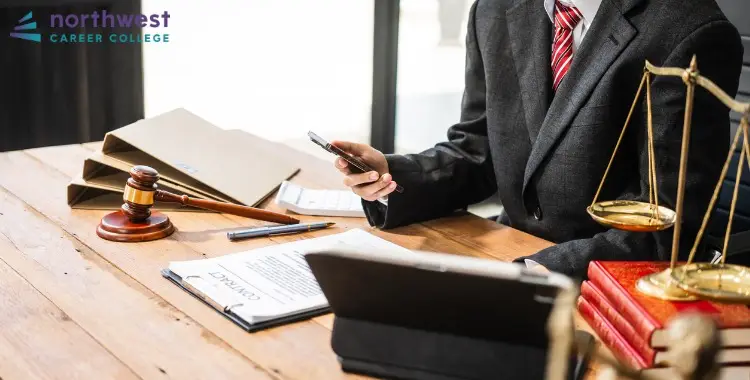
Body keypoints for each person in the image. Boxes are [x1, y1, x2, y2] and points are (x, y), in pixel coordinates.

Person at [334, 0, 744, 277]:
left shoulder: (689, 30)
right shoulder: (495, 9)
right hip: (506, 255)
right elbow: (480, 149)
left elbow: (664, 225)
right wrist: (392, 175)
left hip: (597, 283)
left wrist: (526, 272)